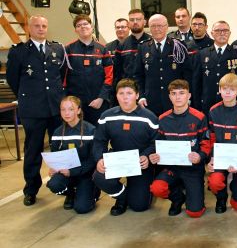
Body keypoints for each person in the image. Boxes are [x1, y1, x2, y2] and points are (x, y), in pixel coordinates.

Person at [7, 15, 66, 206]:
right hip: (32, 109)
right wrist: (29, 96)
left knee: (59, 147)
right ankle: (31, 189)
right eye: (37, 26)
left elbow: (62, 75)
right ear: (29, 28)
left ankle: (64, 184)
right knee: (33, 150)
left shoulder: (56, 49)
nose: (41, 29)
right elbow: (13, 80)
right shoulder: (19, 52)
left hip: (55, 108)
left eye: (44, 26)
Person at [92, 78, 159, 216]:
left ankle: (142, 190)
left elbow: (156, 143)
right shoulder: (107, 116)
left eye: (129, 93)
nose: (125, 97)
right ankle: (122, 198)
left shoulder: (150, 117)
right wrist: (99, 159)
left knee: (140, 206)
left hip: (140, 164)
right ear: (116, 96)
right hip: (117, 159)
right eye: (121, 93)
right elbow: (99, 141)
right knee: (99, 177)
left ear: (137, 95)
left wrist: (146, 156)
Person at [148, 79, 210, 217]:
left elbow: (206, 143)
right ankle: (177, 198)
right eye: (174, 93)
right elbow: (157, 143)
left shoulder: (199, 117)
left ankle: (193, 194)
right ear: (169, 96)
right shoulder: (163, 119)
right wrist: (155, 155)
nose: (178, 97)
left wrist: (200, 156)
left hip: (193, 168)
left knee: (195, 212)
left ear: (189, 96)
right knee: (157, 188)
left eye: (182, 93)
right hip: (172, 167)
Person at [206, 73, 237, 213]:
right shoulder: (213, 111)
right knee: (215, 182)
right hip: (220, 158)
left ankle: (236, 186)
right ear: (219, 90)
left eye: (232, 89)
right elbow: (212, 138)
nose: (227, 92)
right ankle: (221, 198)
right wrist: (211, 158)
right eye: (224, 88)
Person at [46, 96, 97, 214]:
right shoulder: (57, 132)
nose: (66, 113)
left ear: (78, 110)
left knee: (82, 208)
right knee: (54, 184)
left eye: (71, 109)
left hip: (85, 174)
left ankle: (93, 192)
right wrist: (53, 167)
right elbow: (55, 155)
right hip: (66, 173)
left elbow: (93, 159)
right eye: (63, 110)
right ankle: (71, 193)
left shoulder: (90, 130)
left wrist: (73, 172)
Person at [134, 14, 192, 116]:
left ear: (167, 27)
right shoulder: (143, 47)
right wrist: (141, 96)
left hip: (174, 100)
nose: (157, 29)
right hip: (150, 101)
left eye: (160, 26)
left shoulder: (178, 45)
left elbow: (187, 74)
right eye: (153, 26)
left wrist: (186, 96)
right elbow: (138, 75)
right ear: (148, 27)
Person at [192, 20, 237, 115]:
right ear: (212, 33)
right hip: (208, 104)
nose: (222, 33)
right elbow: (196, 83)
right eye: (218, 30)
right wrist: (197, 106)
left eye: (225, 30)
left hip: (232, 104)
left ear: (230, 33)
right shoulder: (202, 54)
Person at [64, 14, 114, 125]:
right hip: (75, 105)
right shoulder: (68, 49)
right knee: (78, 136)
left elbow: (109, 76)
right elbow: (64, 77)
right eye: (79, 25)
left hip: (98, 103)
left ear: (91, 27)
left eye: (85, 24)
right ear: (75, 30)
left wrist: (101, 98)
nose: (82, 27)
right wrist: (70, 102)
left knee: (99, 136)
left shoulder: (102, 49)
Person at [113, 9, 151, 83]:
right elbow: (117, 72)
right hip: (128, 89)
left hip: (147, 88)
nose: (135, 22)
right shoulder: (122, 45)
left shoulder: (152, 42)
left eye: (138, 19)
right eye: (132, 20)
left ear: (144, 22)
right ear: (129, 23)